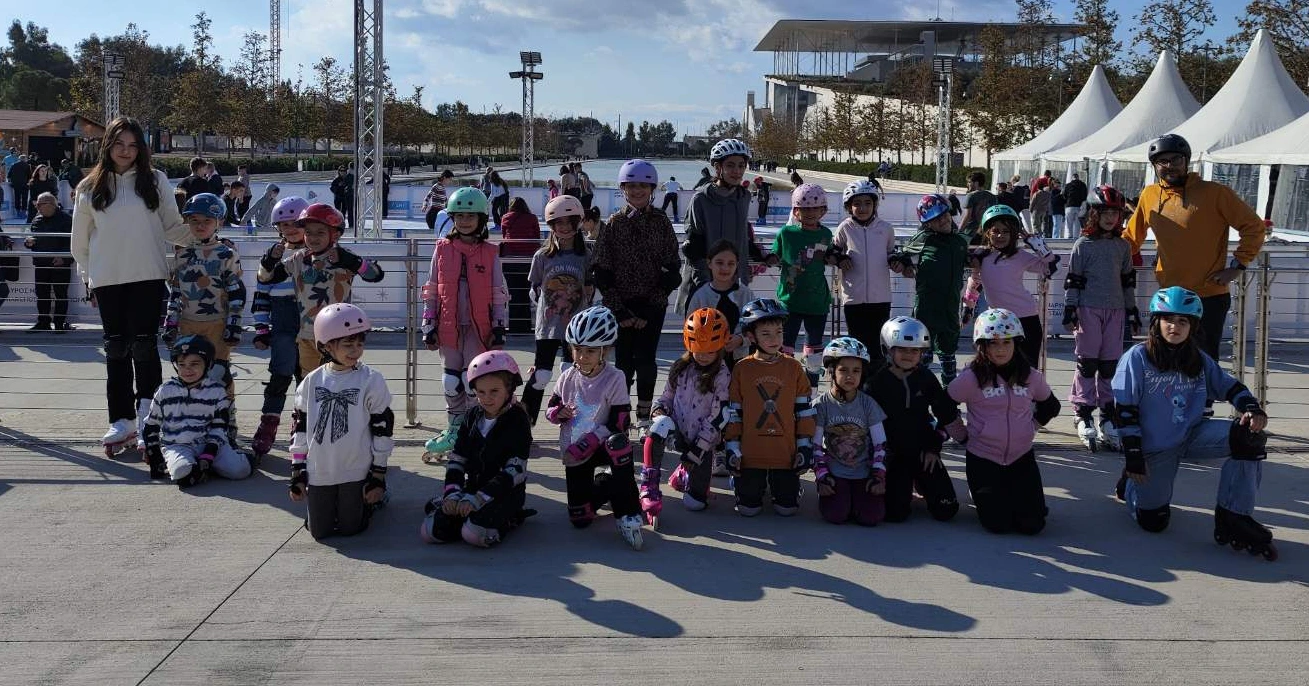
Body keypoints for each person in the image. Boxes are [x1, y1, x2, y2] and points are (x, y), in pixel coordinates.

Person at [1112, 286, 1275, 559]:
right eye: (1168, 319)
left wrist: (1251, 409)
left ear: (1192, 326)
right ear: (1156, 322)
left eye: (1182, 321)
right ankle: (1130, 486)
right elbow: (1124, 410)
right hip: (1154, 447)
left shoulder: (1198, 359)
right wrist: (1133, 455)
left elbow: (1230, 387)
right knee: (1154, 522)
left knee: (1248, 438)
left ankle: (1234, 515)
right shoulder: (1137, 358)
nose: (1174, 326)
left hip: (1193, 434)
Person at [71, 117, 193, 457]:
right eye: (119, 144)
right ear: (107, 145)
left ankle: (147, 415)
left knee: (144, 347)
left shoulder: (155, 180)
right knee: (117, 350)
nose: (125, 151)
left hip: (149, 275)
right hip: (108, 279)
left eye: (132, 145)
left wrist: (202, 233)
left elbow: (172, 226)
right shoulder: (89, 187)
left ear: (141, 148)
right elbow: (79, 243)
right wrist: (88, 279)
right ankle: (121, 419)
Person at [1123, 134, 1266, 371]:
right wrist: (1101, 251)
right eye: (1163, 161)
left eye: (1176, 159)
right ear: (1155, 166)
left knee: (1202, 363)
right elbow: (1130, 239)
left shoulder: (1215, 193)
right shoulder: (1149, 196)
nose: (1170, 166)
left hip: (1208, 295)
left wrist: (1238, 265)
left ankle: (1204, 407)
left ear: (1186, 161)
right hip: (1169, 295)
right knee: (1163, 361)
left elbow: (1254, 227)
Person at [948, 308, 1061, 534]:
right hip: (983, 457)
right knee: (998, 524)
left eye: (1006, 343)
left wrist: (1031, 428)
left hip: (1021, 457)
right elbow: (943, 405)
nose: (1000, 350)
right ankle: (983, 491)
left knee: (1032, 525)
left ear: (1016, 344)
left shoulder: (1029, 375)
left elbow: (1051, 406)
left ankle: (1010, 494)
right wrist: (961, 435)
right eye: (993, 343)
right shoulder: (971, 377)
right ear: (982, 346)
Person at [288, 303, 395, 541]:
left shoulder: (371, 380)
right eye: (348, 344)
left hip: (356, 466)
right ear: (326, 346)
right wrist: (298, 470)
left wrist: (378, 473)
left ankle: (372, 502)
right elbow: (300, 425)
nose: (355, 350)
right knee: (320, 532)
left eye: (360, 343)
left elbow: (382, 428)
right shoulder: (312, 381)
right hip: (321, 468)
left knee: (351, 528)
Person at [420, 187, 511, 461]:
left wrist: (499, 326)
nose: (465, 221)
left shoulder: (489, 252)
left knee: (472, 381)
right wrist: (428, 322)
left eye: (470, 216)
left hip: (478, 328)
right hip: (448, 326)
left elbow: (498, 291)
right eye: (459, 216)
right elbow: (431, 288)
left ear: (481, 219)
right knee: (450, 382)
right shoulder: (443, 249)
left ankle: (477, 428)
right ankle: (455, 429)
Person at [545, 306, 645, 549]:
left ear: (605, 351)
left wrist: (587, 442)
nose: (582, 356)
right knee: (580, 519)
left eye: (590, 351)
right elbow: (550, 410)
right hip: (574, 453)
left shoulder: (615, 377)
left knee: (619, 445)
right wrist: (558, 414)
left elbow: (619, 422)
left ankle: (627, 513)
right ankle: (608, 484)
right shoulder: (568, 376)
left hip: (602, 445)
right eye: (577, 349)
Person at [591, 159, 681, 426]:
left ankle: (644, 415)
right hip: (621, 308)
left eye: (643, 186)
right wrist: (620, 310)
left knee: (646, 362)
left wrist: (648, 310)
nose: (638, 191)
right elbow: (602, 272)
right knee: (622, 365)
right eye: (632, 186)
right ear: (623, 189)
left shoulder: (661, 221)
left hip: (651, 308)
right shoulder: (614, 223)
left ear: (652, 188)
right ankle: (620, 414)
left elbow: (672, 271)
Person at [257, 203, 385, 381]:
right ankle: (305, 410)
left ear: (336, 234)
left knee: (341, 381)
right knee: (309, 382)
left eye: (320, 232)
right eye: (308, 232)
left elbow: (375, 275)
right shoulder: (299, 258)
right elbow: (266, 278)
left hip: (341, 336)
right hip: (308, 334)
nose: (313, 238)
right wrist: (269, 261)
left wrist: (353, 262)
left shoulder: (344, 256)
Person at [420, 350, 535, 547]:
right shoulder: (472, 415)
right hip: (472, 490)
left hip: (505, 493)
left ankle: (511, 517)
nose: (487, 398)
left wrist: (478, 499)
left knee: (473, 535)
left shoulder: (518, 420)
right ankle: (461, 512)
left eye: (494, 391)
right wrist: (453, 494)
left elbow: (514, 471)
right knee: (431, 532)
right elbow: (457, 459)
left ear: (509, 389)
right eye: (481, 392)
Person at [722, 298, 816, 517]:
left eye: (779, 332)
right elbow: (735, 414)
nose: (775, 339)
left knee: (787, 509)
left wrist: (804, 447)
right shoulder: (741, 369)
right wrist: (732, 449)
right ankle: (742, 482)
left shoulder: (793, 367)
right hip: (751, 454)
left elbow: (804, 411)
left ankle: (786, 485)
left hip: (784, 453)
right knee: (748, 509)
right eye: (766, 334)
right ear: (750, 336)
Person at [1063, 185, 1139, 453]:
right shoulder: (1083, 245)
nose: (1110, 218)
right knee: (1087, 363)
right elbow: (1073, 279)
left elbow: (1127, 281)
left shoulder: (1122, 246)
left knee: (1110, 365)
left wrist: (1132, 310)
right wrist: (1070, 308)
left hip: (1115, 311)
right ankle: (1083, 411)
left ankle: (1107, 414)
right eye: (1104, 212)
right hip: (1088, 309)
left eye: (1115, 213)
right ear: (1093, 214)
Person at [864, 317, 962, 522]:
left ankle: (922, 481)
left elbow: (947, 414)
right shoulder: (876, 382)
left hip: (922, 451)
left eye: (915, 350)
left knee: (947, 509)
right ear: (888, 349)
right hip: (892, 455)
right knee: (895, 514)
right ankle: (906, 484)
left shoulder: (926, 378)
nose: (909, 355)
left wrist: (934, 448)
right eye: (902, 349)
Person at [640, 307, 732, 526]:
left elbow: (719, 417)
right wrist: (658, 410)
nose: (702, 356)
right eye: (698, 349)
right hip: (678, 431)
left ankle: (685, 473)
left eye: (710, 351)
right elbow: (666, 398)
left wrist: (696, 453)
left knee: (695, 504)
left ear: (720, 347)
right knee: (658, 426)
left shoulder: (722, 375)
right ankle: (649, 485)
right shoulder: (680, 367)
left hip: (703, 441)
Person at [164, 193, 246, 426]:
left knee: (219, 372)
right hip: (188, 322)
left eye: (207, 221)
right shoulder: (182, 253)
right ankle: (194, 418)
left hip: (217, 323)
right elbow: (176, 291)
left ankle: (226, 419)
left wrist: (234, 324)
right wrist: (171, 321)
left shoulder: (226, 254)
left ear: (218, 222)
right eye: (195, 221)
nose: (200, 226)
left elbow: (236, 292)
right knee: (189, 371)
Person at [679, 139, 777, 313]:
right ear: (718, 168)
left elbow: (742, 238)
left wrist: (760, 256)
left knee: (735, 335)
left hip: (734, 284)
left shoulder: (743, 198)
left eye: (741, 166)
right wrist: (706, 286)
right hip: (705, 284)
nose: (737, 171)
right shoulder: (700, 199)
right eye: (730, 165)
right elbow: (693, 248)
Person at [142, 335, 253, 486]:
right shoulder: (165, 391)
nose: (187, 370)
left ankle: (231, 460)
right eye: (182, 364)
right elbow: (151, 425)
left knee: (240, 471)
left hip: (210, 443)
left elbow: (219, 427)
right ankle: (199, 469)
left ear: (207, 364)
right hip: (178, 445)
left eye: (194, 364)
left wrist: (208, 454)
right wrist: (154, 456)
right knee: (181, 471)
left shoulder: (217, 391)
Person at [522, 196, 593, 425]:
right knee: (542, 375)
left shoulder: (586, 256)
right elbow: (534, 289)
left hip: (575, 328)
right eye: (558, 223)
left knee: (569, 372)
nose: (564, 227)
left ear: (577, 222)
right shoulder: (542, 256)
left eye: (568, 222)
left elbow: (591, 288)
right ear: (551, 226)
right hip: (548, 327)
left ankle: (570, 421)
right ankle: (524, 421)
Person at [250, 196, 310, 460]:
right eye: (283, 226)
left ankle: (303, 427)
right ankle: (268, 424)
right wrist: (262, 329)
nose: (289, 230)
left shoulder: (316, 252)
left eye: (295, 224)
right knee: (280, 376)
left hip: (310, 324)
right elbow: (261, 294)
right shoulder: (271, 257)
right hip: (283, 325)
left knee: (307, 380)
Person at [961, 205, 1058, 366]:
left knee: (1027, 369)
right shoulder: (981, 255)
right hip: (997, 320)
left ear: (1013, 234)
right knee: (997, 367)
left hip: (1026, 319)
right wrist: (968, 307)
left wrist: (1034, 241)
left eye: (1006, 231)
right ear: (987, 233)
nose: (1000, 235)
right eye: (996, 231)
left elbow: (1050, 266)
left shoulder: (1020, 256)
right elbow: (975, 282)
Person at [890, 194, 968, 384]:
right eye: (935, 219)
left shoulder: (960, 241)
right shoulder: (924, 239)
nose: (942, 220)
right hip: (927, 307)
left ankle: (949, 397)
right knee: (922, 353)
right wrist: (904, 265)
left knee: (949, 354)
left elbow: (970, 260)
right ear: (927, 224)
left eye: (943, 215)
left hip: (950, 306)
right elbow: (903, 255)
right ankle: (919, 394)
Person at [812, 337, 888, 526]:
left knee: (872, 518)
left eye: (856, 371)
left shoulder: (868, 404)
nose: (850, 376)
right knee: (836, 516)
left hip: (863, 472)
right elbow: (815, 446)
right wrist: (822, 477)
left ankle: (856, 500)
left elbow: (881, 444)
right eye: (843, 370)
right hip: (835, 473)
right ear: (831, 371)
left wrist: (878, 476)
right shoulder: (821, 405)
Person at [774, 183, 838, 387]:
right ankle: (785, 385)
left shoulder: (826, 235)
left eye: (815, 208)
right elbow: (774, 256)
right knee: (785, 348)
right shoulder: (786, 233)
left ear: (823, 210)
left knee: (813, 350)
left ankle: (810, 389)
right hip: (789, 301)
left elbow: (827, 256)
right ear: (796, 211)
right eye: (804, 209)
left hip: (817, 302)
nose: (810, 213)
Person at [832, 180, 897, 370]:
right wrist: (839, 259)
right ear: (848, 207)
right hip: (853, 298)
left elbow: (891, 253)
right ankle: (858, 388)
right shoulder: (845, 228)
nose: (862, 208)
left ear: (875, 205)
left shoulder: (885, 228)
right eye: (857, 203)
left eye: (867, 203)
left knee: (878, 346)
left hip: (880, 298)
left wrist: (898, 263)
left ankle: (876, 388)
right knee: (857, 344)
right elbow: (833, 251)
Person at [684, 240, 752, 373]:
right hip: (707, 361)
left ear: (736, 265)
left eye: (730, 264)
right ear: (709, 263)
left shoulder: (745, 294)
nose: (725, 268)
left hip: (738, 360)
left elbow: (754, 326)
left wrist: (740, 339)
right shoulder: (700, 295)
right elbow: (689, 328)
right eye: (719, 263)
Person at [25, 192, 73, 332]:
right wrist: (28, 242)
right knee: (42, 294)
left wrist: (64, 257)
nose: (37, 207)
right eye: (37, 205)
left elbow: (72, 241)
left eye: (40, 205)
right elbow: (32, 236)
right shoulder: (37, 218)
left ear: (51, 204)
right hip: (41, 262)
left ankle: (59, 324)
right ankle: (43, 322)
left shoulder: (66, 219)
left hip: (60, 264)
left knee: (61, 294)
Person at [958, 171, 996, 243]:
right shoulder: (992, 196)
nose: (967, 184)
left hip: (970, 233)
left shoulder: (971, 196)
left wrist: (959, 231)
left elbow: (967, 216)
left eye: (969, 182)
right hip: (987, 233)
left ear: (976, 183)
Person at [7, 153, 29, 219]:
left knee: (17, 198)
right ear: (25, 159)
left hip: (16, 185)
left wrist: (11, 182)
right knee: (24, 199)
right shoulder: (27, 166)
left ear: (19, 159)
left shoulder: (13, 165)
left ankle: (18, 213)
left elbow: (9, 175)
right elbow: (30, 176)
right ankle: (23, 213)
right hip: (25, 185)